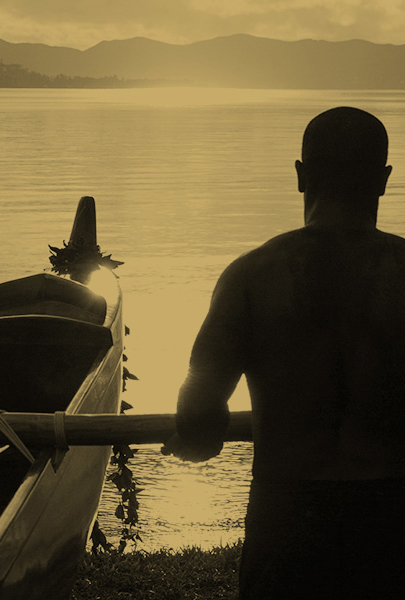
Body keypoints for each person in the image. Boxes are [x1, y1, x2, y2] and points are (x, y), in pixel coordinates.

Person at [162, 106, 405, 599]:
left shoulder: (251, 276)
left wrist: (200, 440)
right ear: (383, 180)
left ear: (300, 176)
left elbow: (199, 408)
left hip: (288, 519)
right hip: (393, 517)